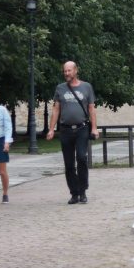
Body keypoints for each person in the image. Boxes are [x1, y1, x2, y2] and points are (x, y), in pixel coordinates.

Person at [46, 61, 98, 204]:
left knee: (81, 158)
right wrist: (51, 129)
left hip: (82, 128)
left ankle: (83, 190)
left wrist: (94, 128)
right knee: (69, 164)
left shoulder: (86, 87)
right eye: (65, 71)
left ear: (75, 70)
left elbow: (91, 108)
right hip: (65, 130)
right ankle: (74, 193)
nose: (66, 73)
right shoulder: (60, 88)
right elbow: (56, 109)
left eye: (69, 71)